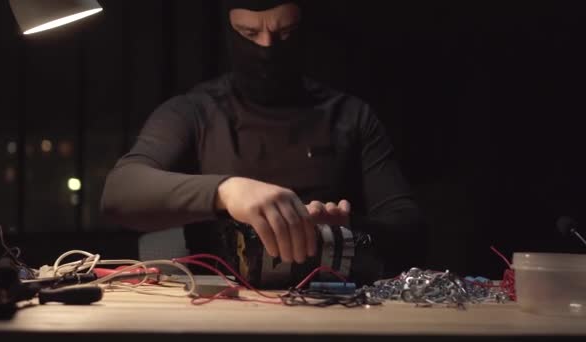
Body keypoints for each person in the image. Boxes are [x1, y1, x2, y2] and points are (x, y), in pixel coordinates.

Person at [101, 0, 422, 275]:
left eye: (285, 32)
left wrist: (349, 225)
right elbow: (120, 192)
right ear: (229, 31)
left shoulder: (350, 116)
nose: (267, 47)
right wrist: (227, 191)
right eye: (249, 34)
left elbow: (408, 227)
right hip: (221, 304)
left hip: (333, 301)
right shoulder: (195, 112)